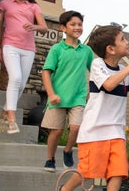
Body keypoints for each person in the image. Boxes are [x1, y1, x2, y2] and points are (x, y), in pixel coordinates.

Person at [55, 24, 129, 191]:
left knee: (118, 171)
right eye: (123, 40)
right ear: (110, 48)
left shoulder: (125, 73)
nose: (128, 42)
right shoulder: (99, 66)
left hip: (116, 131)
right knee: (88, 172)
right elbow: (108, 85)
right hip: (94, 131)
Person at [40, 10, 93, 172]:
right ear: (63, 28)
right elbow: (46, 72)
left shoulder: (86, 51)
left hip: (78, 96)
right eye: (73, 24)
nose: (77, 27)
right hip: (58, 96)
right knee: (56, 131)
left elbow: (94, 72)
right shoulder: (57, 49)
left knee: (76, 128)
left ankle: (68, 150)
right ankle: (50, 159)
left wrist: (92, 94)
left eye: (80, 24)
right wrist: (51, 94)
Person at [0, 0, 48, 134]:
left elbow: (44, 27)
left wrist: (34, 26)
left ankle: (4, 112)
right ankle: (11, 118)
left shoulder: (33, 7)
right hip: (10, 45)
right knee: (15, 78)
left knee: (22, 84)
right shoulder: (5, 4)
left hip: (28, 49)